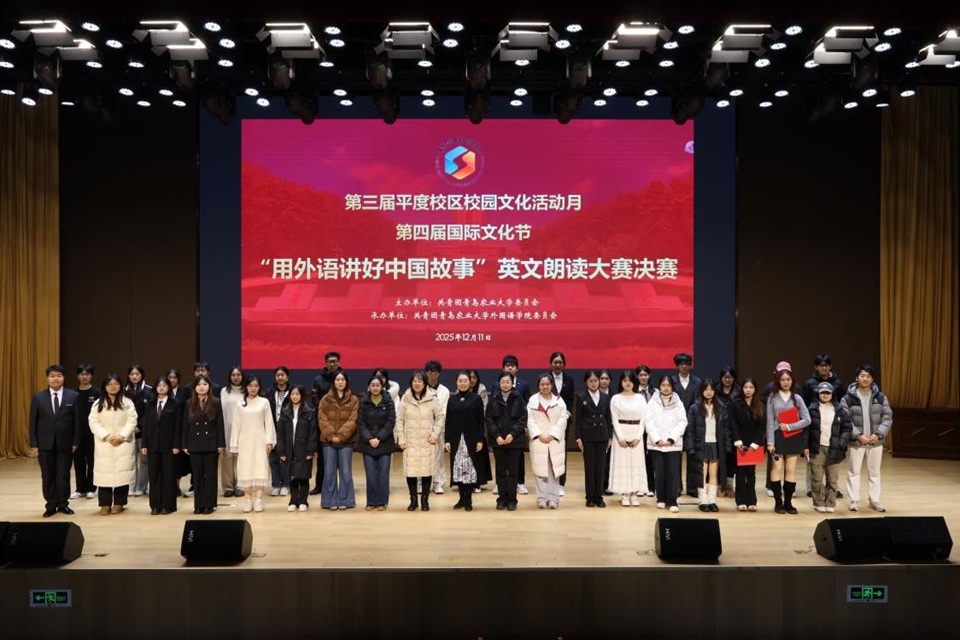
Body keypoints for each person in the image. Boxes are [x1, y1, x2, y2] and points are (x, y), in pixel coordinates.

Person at [29, 364, 81, 517]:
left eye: (59, 376)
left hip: (66, 443)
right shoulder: (38, 397)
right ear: (47, 378)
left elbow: (78, 422)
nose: (55, 379)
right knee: (48, 475)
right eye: (52, 376)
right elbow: (33, 421)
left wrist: (76, 441)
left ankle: (63, 504)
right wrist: (34, 443)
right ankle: (51, 505)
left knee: (63, 475)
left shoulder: (73, 396)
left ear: (64, 377)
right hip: (45, 443)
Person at [840, 364, 893, 512]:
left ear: (872, 379)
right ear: (857, 378)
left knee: (875, 472)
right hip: (856, 441)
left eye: (868, 376)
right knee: (853, 471)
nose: (865, 379)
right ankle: (854, 500)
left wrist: (878, 434)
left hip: (876, 442)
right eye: (862, 376)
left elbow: (887, 418)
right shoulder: (847, 398)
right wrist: (858, 435)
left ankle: (874, 500)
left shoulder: (881, 397)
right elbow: (845, 420)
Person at [88, 373, 139, 515]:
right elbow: (93, 422)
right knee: (104, 475)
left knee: (122, 474)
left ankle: (119, 503)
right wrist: (107, 436)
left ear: (120, 386)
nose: (113, 387)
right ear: (105, 386)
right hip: (105, 443)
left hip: (123, 443)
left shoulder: (127, 402)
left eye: (116, 384)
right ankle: (105, 504)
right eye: (110, 384)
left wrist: (122, 436)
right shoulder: (97, 404)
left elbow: (132, 420)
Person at [766, 367, 811, 514]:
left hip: (793, 436)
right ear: (778, 381)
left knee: (791, 470)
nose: (786, 382)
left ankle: (788, 503)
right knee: (776, 469)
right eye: (783, 380)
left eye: (788, 380)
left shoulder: (797, 398)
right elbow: (770, 421)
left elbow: (807, 420)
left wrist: (790, 426)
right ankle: (778, 503)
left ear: (792, 381)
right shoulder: (772, 398)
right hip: (778, 437)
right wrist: (770, 442)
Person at [396, 372, 443, 511]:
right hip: (410, 442)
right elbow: (399, 419)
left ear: (425, 383)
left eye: (420, 381)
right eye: (414, 381)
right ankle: (413, 500)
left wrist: (435, 435)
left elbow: (440, 417)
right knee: (411, 472)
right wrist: (401, 438)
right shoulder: (406, 398)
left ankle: (425, 500)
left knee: (426, 471)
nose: (417, 384)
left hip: (426, 441)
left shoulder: (432, 397)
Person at [230, 374, 276, 513]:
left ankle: (259, 499)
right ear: (246, 387)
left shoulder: (264, 402)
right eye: (250, 386)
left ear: (259, 387)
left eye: (256, 386)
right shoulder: (240, 404)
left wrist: (269, 441)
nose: (253, 388)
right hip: (244, 441)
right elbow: (236, 425)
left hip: (260, 440)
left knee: (260, 467)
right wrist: (234, 444)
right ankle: (248, 499)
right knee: (245, 469)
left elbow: (269, 422)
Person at [801, 355, 845, 499]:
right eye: (821, 365)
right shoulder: (809, 384)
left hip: (832, 423)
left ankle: (833, 488)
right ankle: (811, 488)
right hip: (814, 423)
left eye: (826, 365)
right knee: (813, 461)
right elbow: (804, 404)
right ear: (816, 367)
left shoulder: (838, 383)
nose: (824, 368)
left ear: (830, 366)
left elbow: (842, 403)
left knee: (833, 462)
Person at [684, 379, 730, 512]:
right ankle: (703, 500)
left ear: (715, 391)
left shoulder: (721, 407)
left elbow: (726, 429)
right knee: (701, 473)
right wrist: (690, 446)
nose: (709, 392)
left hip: (715, 444)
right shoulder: (695, 407)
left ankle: (712, 500)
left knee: (714, 473)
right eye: (706, 389)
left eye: (711, 389)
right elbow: (690, 429)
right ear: (701, 391)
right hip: (701, 444)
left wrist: (727, 445)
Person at [807, 382, 853, 513]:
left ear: (832, 394)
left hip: (834, 448)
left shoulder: (840, 410)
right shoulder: (811, 409)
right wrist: (805, 446)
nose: (825, 395)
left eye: (828, 392)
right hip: (816, 447)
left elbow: (847, 429)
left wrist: (841, 443)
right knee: (816, 477)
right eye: (822, 392)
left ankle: (830, 502)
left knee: (832, 478)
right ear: (818, 393)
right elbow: (806, 430)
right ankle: (818, 502)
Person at [182, 374, 225, 515]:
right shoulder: (189, 403)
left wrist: (221, 443)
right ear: (194, 387)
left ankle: (210, 504)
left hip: (210, 443)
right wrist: (185, 444)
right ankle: (198, 505)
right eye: (199, 384)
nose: (202, 387)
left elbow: (220, 424)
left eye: (205, 384)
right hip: (194, 444)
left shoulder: (216, 402)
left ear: (209, 387)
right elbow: (185, 425)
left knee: (211, 476)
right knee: (197, 476)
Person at [444, 371, 487, 511]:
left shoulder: (476, 399)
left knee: (470, 469)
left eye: (465, 381)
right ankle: (461, 498)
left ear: (470, 383)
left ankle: (468, 499)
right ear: (456, 383)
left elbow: (481, 421)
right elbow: (448, 421)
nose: (463, 383)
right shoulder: (452, 399)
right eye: (460, 381)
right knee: (458, 469)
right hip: (456, 439)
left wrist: (480, 439)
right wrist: (447, 439)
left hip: (472, 439)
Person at [644, 375, 687, 513]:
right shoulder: (652, 402)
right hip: (656, 444)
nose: (666, 388)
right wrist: (657, 439)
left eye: (668, 385)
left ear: (672, 387)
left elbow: (682, 422)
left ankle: (672, 501)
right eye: (663, 385)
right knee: (659, 472)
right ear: (659, 386)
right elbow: (648, 421)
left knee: (673, 473)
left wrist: (671, 438)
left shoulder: (678, 402)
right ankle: (661, 499)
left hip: (673, 444)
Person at [526, 373, 569, 509]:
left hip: (554, 440)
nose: (545, 387)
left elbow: (562, 420)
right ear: (538, 385)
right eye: (542, 384)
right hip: (539, 440)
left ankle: (553, 498)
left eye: (548, 384)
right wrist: (539, 435)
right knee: (541, 470)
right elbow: (530, 420)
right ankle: (542, 498)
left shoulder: (559, 401)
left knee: (554, 470)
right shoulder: (533, 400)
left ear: (552, 385)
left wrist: (552, 435)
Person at [486, 371, 527, 511]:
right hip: (498, 441)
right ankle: (501, 499)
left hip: (514, 441)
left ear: (512, 383)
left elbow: (523, 419)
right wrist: (497, 435)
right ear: (499, 384)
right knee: (501, 471)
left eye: (508, 382)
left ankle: (512, 500)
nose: (505, 384)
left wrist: (512, 434)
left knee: (513, 472)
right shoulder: (493, 398)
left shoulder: (518, 398)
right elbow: (488, 419)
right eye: (502, 382)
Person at [318, 371, 359, 510]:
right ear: (333, 382)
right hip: (328, 441)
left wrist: (341, 436)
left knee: (345, 472)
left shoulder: (353, 400)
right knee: (329, 472)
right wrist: (331, 436)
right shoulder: (325, 399)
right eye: (337, 380)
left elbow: (353, 420)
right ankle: (329, 501)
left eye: (342, 380)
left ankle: (346, 500)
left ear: (346, 382)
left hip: (346, 441)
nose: (340, 382)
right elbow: (322, 419)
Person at [141, 375, 181, 515]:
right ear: (155, 388)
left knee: (168, 476)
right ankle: (155, 505)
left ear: (169, 387)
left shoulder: (175, 404)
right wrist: (144, 444)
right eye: (159, 385)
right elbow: (146, 425)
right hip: (152, 445)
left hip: (169, 446)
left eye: (164, 385)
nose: (162, 387)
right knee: (154, 475)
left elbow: (178, 426)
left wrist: (177, 445)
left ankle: (168, 505)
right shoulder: (150, 404)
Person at [276, 384, 318, 512]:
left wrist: (310, 450)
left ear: (302, 395)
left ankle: (303, 501)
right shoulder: (285, 411)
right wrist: (281, 451)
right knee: (292, 476)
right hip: (290, 448)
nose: (294, 397)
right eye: (292, 394)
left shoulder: (309, 411)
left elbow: (313, 433)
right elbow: (280, 433)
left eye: (297, 394)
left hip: (304, 449)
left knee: (303, 476)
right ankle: (293, 500)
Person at [609, 370, 648, 507]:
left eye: (630, 380)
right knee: (623, 463)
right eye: (625, 381)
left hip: (636, 433)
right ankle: (625, 493)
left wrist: (638, 437)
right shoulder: (615, 398)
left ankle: (634, 493)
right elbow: (614, 419)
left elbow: (644, 419)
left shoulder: (640, 398)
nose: (628, 383)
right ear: (621, 382)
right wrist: (620, 437)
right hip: (621, 434)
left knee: (636, 463)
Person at [358, 374, 397, 511]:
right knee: (371, 474)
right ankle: (371, 501)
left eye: (378, 385)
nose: (375, 388)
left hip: (384, 442)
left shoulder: (388, 401)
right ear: (369, 387)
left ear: (382, 386)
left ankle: (382, 501)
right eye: (373, 385)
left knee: (383, 474)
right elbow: (361, 423)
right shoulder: (364, 401)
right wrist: (370, 438)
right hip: (368, 443)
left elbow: (390, 422)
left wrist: (379, 438)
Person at [728, 377, 765, 511]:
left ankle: (752, 500)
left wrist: (756, 443)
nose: (748, 390)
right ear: (742, 389)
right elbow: (732, 423)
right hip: (740, 443)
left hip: (754, 444)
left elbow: (761, 426)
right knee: (740, 472)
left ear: (755, 389)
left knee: (751, 472)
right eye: (745, 387)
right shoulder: (735, 404)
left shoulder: (760, 404)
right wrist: (737, 440)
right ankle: (741, 501)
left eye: (751, 387)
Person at [576, 370, 612, 508]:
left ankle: (599, 497)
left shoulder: (605, 397)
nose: (593, 383)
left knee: (600, 467)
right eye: (590, 381)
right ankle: (590, 497)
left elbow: (608, 417)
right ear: (586, 383)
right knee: (590, 467)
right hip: (588, 437)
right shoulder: (582, 397)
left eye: (595, 380)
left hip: (602, 436)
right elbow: (578, 419)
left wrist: (609, 436)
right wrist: (578, 437)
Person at [310, 351, 342, 495]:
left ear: (339, 363)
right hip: (323, 424)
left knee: (342, 458)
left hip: (340, 424)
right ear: (325, 363)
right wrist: (326, 414)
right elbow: (314, 399)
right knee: (322, 457)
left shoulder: (343, 378)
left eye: (335, 361)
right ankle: (320, 485)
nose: (332, 364)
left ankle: (342, 487)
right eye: (330, 361)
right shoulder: (318, 380)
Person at [670, 352, 701, 498]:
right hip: (675, 424)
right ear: (677, 365)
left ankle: (693, 488)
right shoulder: (671, 381)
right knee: (675, 458)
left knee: (693, 457)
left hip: (692, 424)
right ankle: (676, 487)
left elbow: (699, 402)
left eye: (687, 364)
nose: (684, 366)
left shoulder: (697, 382)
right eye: (681, 364)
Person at [501, 355, 531, 496]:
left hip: (518, 427)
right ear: (503, 368)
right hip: (502, 426)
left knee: (518, 456)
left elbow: (527, 406)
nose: (510, 368)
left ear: (517, 369)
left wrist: (525, 426)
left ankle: (520, 483)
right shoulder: (498, 384)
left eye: (512, 366)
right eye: (507, 365)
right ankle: (500, 484)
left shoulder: (523, 384)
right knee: (502, 457)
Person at [124, 364, 153, 497]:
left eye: (137, 374)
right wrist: (130, 427)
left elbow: (149, 412)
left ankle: (142, 486)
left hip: (143, 432)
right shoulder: (124, 391)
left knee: (144, 461)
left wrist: (139, 426)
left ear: (142, 375)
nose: (134, 376)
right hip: (128, 432)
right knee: (130, 460)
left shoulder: (149, 391)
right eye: (132, 374)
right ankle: (131, 486)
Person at [71, 363, 99, 500]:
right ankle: (80, 489)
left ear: (91, 376)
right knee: (78, 462)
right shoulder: (72, 394)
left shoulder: (97, 393)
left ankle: (91, 488)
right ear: (77, 376)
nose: (84, 377)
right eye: (81, 374)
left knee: (92, 462)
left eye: (87, 374)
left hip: (93, 434)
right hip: (77, 434)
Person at [548, 352, 575, 495]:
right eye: (555, 362)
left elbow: (570, 399)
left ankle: (561, 483)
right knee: (548, 451)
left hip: (563, 421)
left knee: (561, 451)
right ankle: (549, 482)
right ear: (550, 364)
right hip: (547, 420)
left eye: (560, 362)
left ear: (564, 364)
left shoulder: (569, 380)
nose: (557, 365)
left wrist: (567, 413)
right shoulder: (545, 378)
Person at [266, 365, 292, 497]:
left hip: (287, 430)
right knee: (273, 459)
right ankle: (276, 484)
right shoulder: (270, 392)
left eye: (282, 375)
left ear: (287, 377)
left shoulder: (292, 392)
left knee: (285, 459)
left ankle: (286, 484)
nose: (280, 377)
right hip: (272, 429)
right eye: (278, 375)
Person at [425, 360, 450, 494]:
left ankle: (438, 483)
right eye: (430, 371)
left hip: (439, 429)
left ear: (439, 373)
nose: (432, 374)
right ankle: (423, 482)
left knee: (438, 457)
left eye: (435, 372)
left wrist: (436, 429)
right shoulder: (421, 387)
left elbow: (443, 411)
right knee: (423, 457)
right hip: (423, 427)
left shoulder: (444, 391)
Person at [715, 367, 741, 499]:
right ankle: (720, 486)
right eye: (725, 377)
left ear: (734, 378)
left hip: (734, 429)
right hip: (718, 428)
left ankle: (730, 486)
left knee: (732, 459)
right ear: (721, 378)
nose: (727, 379)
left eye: (730, 377)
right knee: (719, 459)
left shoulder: (739, 391)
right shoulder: (715, 390)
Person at [219, 366, 245, 498]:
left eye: (238, 375)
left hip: (243, 429)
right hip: (226, 429)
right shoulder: (224, 391)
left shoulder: (247, 391)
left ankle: (241, 485)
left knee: (242, 458)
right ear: (230, 377)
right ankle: (228, 487)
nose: (236, 377)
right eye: (233, 375)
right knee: (227, 459)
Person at [467, 369, 492, 492]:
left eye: (474, 378)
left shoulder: (481, 390)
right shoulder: (461, 388)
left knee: (479, 456)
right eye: (470, 378)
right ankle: (466, 481)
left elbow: (485, 408)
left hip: (478, 427)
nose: (472, 380)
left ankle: (478, 482)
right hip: (465, 428)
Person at [635, 365, 656, 498]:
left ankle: (651, 487)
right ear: (637, 376)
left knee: (650, 459)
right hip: (636, 429)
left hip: (651, 429)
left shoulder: (655, 392)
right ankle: (639, 486)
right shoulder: (633, 392)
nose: (643, 377)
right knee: (638, 458)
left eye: (645, 375)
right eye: (641, 375)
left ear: (649, 376)